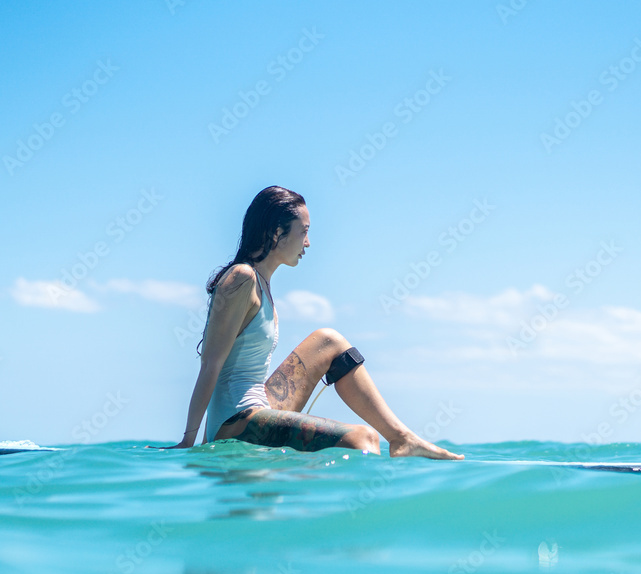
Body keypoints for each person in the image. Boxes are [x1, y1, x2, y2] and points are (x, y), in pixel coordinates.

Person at [162, 186, 463, 460]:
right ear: (277, 232)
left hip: (258, 407)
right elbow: (210, 364)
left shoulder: (263, 284)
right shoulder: (241, 278)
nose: (308, 242)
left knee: (329, 341)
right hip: (235, 420)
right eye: (303, 231)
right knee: (363, 439)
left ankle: (402, 438)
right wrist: (190, 441)